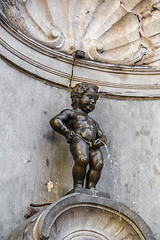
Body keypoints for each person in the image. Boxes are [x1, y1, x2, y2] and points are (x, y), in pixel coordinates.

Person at [50, 82, 106, 191]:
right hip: (79, 139)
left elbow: (102, 135)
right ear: (78, 96)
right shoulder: (71, 113)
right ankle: (78, 185)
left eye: (95, 100)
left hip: (94, 145)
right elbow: (55, 120)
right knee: (82, 159)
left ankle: (91, 188)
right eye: (89, 97)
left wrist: (101, 140)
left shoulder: (93, 121)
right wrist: (66, 132)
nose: (92, 102)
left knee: (98, 163)